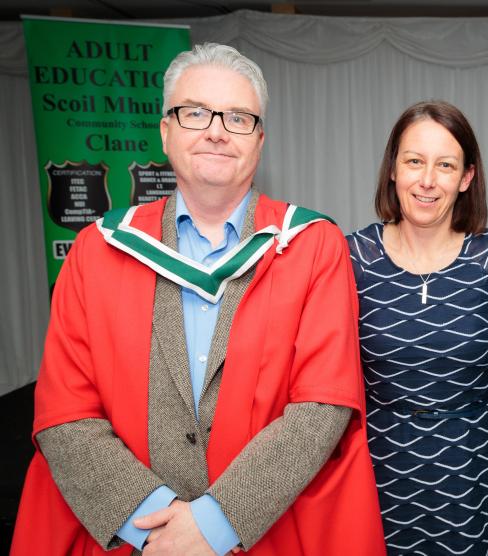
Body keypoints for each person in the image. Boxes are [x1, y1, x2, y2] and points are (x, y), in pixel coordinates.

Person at [11, 43, 385, 556]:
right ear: (165, 131)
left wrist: (214, 524)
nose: (215, 130)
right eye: (195, 113)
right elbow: (65, 411)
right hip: (127, 541)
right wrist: (155, 529)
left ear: (259, 141)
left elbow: (322, 407)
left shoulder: (310, 246)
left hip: (270, 536)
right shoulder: (96, 250)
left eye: (238, 117)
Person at [346, 100, 488, 554]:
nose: (427, 180)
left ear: (466, 177)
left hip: (478, 480)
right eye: (413, 162)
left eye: (445, 165)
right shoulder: (350, 259)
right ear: (393, 170)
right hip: (378, 477)